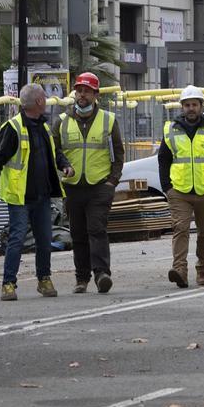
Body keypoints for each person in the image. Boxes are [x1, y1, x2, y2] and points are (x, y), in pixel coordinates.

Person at [0, 84, 74, 301]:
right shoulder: (13, 129)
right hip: (20, 196)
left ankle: (44, 279)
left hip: (42, 195)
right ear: (39, 102)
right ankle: (8, 284)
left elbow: (54, 152)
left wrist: (65, 165)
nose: (47, 99)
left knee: (44, 240)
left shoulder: (43, 127)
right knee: (17, 239)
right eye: (44, 96)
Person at [52, 72, 125, 294]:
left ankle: (102, 273)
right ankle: (81, 278)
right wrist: (63, 166)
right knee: (78, 233)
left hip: (99, 186)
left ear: (96, 95)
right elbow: (54, 151)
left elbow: (118, 154)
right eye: (79, 90)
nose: (82, 94)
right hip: (72, 186)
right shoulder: (62, 122)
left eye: (86, 91)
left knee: (97, 229)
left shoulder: (108, 121)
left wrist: (112, 181)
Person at [158, 85, 204, 288]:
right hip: (179, 191)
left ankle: (202, 271)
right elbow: (164, 159)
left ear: (201, 106)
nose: (191, 108)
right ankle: (179, 269)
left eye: (194, 105)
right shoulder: (170, 130)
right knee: (180, 228)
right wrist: (167, 187)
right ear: (182, 107)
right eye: (187, 105)